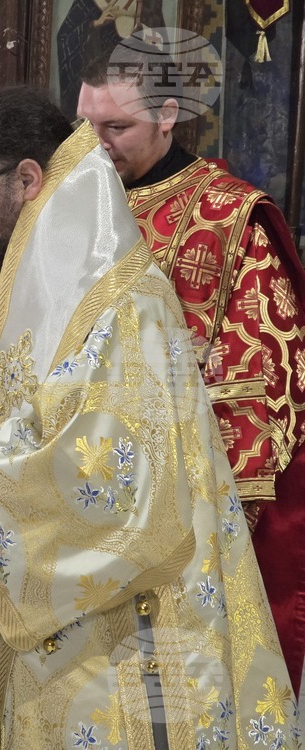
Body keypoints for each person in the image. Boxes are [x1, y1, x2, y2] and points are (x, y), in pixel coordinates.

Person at [0, 87, 297, 749]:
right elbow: (13, 385)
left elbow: (104, 474)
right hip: (61, 622)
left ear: (26, 178)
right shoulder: (59, 272)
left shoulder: (114, 299)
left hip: (120, 634)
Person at [77, 49, 305, 697]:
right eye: (85, 126)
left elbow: (261, 384)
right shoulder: (75, 209)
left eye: (114, 128)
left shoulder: (231, 221)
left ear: (168, 114)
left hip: (186, 509)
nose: (96, 144)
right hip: (79, 495)